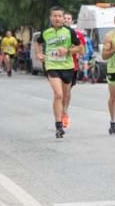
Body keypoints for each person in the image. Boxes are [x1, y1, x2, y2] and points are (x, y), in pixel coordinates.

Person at [35, 7, 83, 138]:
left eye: (59, 16)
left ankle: (64, 113)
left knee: (66, 96)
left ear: (63, 18)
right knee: (58, 94)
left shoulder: (69, 32)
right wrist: (39, 54)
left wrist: (67, 51)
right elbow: (37, 43)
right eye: (54, 16)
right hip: (52, 65)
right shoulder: (46, 32)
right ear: (51, 18)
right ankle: (58, 125)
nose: (57, 18)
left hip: (67, 67)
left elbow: (80, 48)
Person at [63, 12, 86, 127]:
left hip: (72, 66)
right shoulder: (56, 34)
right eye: (65, 18)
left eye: (69, 18)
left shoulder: (78, 35)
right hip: (57, 66)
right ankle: (61, 114)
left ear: (72, 21)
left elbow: (82, 51)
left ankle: (65, 111)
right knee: (59, 92)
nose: (67, 20)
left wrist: (72, 50)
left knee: (67, 91)